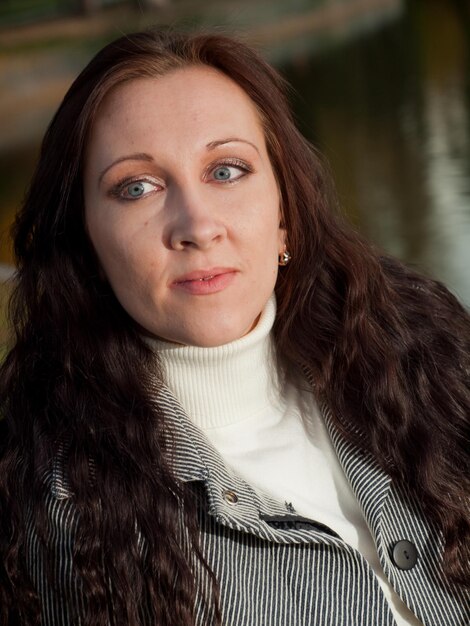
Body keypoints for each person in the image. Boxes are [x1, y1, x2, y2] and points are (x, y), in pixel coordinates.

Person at [0, 29, 468, 626]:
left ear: (284, 216)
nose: (197, 225)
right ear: (87, 246)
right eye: (137, 187)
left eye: (226, 170)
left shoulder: (431, 362)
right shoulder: (62, 509)